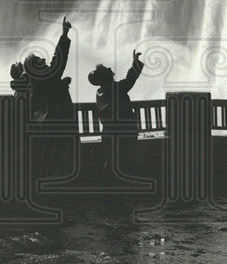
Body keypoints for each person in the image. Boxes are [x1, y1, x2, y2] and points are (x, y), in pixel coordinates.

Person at [21, 17, 78, 181]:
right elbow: (58, 64)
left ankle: (52, 184)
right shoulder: (41, 80)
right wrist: (64, 34)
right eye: (40, 61)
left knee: (53, 158)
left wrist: (60, 84)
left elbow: (55, 66)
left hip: (50, 126)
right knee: (57, 159)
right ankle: (55, 186)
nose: (45, 61)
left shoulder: (38, 81)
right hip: (55, 125)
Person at [88, 50, 144, 179]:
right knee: (126, 160)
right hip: (123, 131)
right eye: (106, 69)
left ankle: (112, 186)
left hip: (109, 131)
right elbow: (130, 79)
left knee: (112, 159)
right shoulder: (115, 88)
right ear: (106, 76)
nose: (109, 68)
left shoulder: (100, 91)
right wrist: (135, 63)